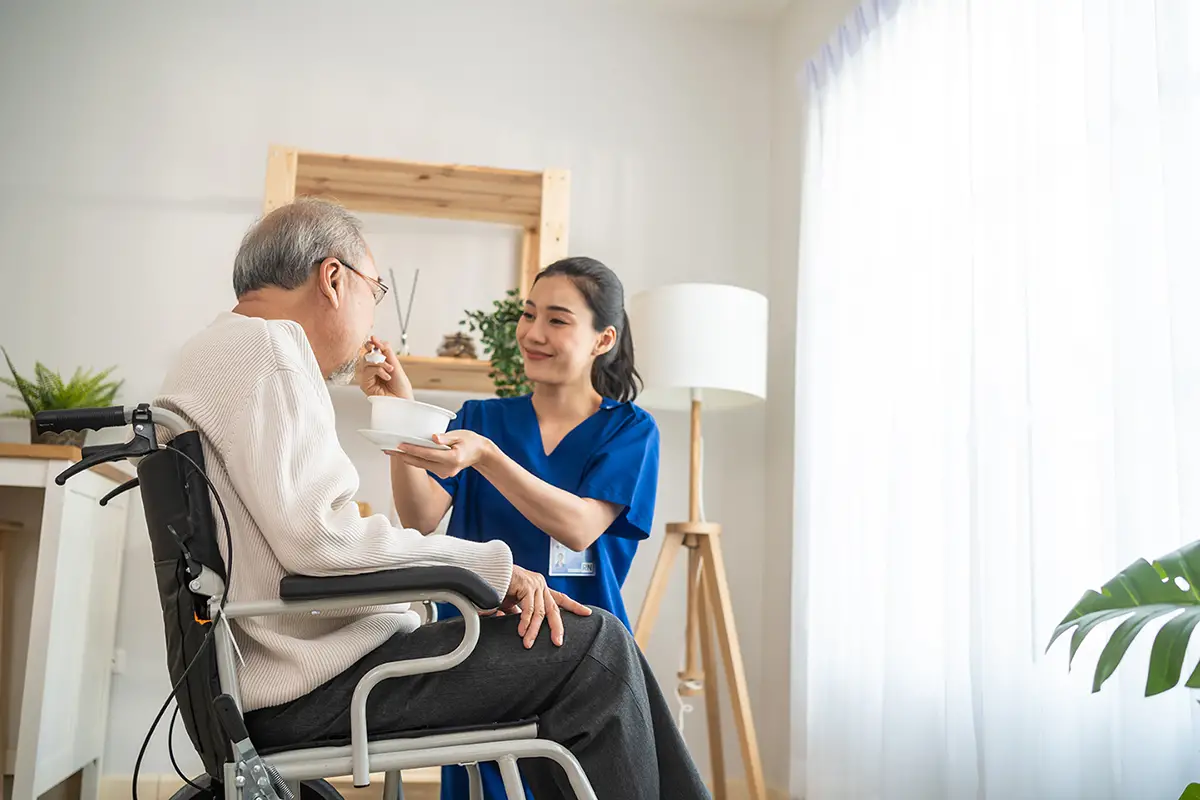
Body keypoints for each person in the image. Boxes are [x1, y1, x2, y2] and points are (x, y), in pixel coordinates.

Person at [152, 198, 709, 799]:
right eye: (376, 290)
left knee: (602, 643)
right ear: (333, 281)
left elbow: (314, 535)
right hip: (313, 683)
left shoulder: (218, 351)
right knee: (599, 649)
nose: (373, 318)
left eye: (558, 320)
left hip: (276, 675)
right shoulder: (273, 353)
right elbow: (325, 538)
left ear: (603, 339)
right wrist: (496, 571)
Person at [362, 256, 660, 799]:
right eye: (528, 315)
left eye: (558, 319)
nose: (534, 333)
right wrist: (398, 415)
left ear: (603, 339)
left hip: (580, 656)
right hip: (481, 646)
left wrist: (488, 459)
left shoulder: (629, 430)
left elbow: (579, 527)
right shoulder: (482, 418)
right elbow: (421, 517)